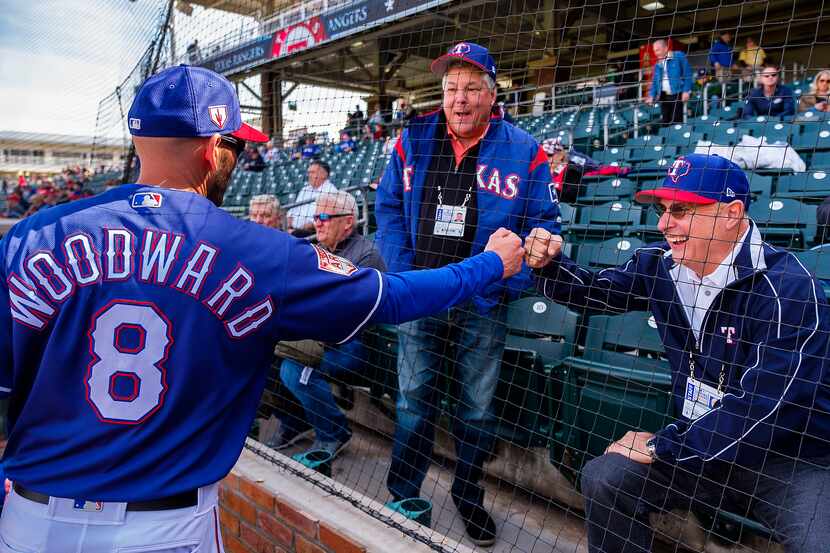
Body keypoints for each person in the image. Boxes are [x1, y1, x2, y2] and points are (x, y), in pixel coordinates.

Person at [0, 64, 528, 552]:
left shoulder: (29, 236)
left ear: (140, 139)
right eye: (235, 145)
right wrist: (489, 264)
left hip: (30, 521)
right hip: (163, 528)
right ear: (213, 150)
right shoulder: (257, 252)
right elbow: (393, 297)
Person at [525, 153, 830, 553]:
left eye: (682, 211)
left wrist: (661, 445)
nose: (664, 225)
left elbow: (763, 409)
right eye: (663, 210)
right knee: (605, 477)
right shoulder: (659, 266)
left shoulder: (789, 288)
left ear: (732, 213)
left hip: (785, 459)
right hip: (698, 446)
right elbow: (593, 291)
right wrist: (548, 265)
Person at [375, 41, 561, 547]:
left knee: (477, 408)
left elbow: (543, 225)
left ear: (492, 94)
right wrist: (404, 273)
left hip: (482, 303)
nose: (460, 99)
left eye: (472, 88)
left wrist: (505, 285)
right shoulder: (411, 139)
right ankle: (404, 493)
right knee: (413, 399)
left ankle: (468, 492)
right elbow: (387, 206)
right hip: (420, 295)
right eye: (452, 88)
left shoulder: (524, 149)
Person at [272, 191, 386, 458]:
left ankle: (334, 433)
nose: (317, 223)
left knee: (295, 371)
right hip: (317, 335)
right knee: (261, 355)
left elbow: (344, 311)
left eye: (324, 216)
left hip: (355, 343)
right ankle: (294, 422)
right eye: (315, 217)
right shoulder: (319, 250)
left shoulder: (365, 254)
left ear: (348, 222)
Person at [542, 138, 630, 204]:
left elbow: (568, 196)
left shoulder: (573, 169)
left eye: (549, 155)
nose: (545, 159)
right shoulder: (542, 170)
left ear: (561, 154)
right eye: (543, 155)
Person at [646, 39, 693, 125]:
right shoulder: (657, 65)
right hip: (664, 96)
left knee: (676, 121)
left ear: (665, 48)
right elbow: (655, 82)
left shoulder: (678, 56)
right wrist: (651, 95)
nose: (656, 53)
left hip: (678, 93)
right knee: (665, 122)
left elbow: (688, 74)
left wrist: (686, 91)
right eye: (654, 51)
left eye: (658, 50)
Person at [286, 160, 338, 237]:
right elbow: (292, 212)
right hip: (294, 230)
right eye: (309, 173)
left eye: (312, 172)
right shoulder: (304, 190)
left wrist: (297, 230)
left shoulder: (330, 190)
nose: (309, 175)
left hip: (315, 231)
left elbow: (324, 217)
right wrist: (289, 227)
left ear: (324, 174)